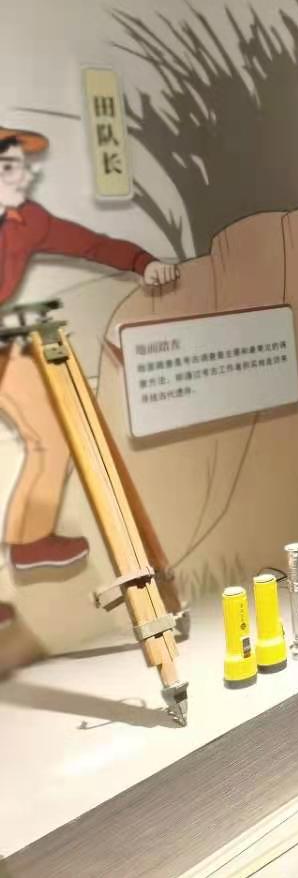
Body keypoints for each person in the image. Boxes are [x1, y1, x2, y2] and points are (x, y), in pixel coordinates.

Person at [0, 126, 177, 631]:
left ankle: (30, 540)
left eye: (21, 166)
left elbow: (90, 244)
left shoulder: (27, 220)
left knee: (53, 431)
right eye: (10, 168)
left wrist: (142, 262)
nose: (24, 177)